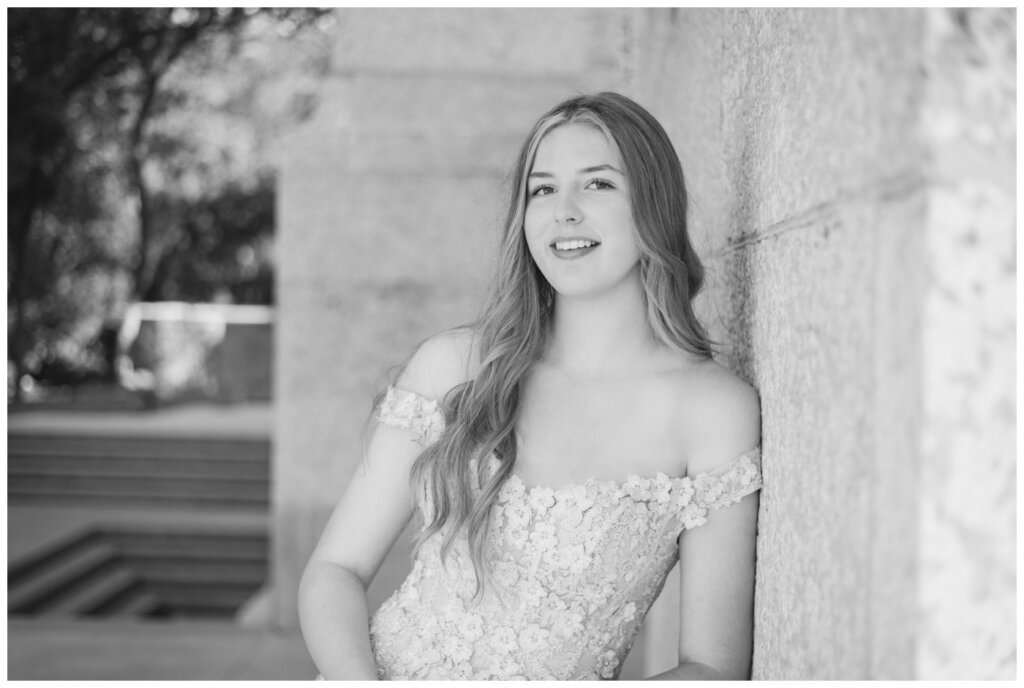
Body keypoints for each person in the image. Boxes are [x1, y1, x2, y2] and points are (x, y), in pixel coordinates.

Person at [298, 92, 762, 680]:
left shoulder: (711, 410)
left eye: (597, 184)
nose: (563, 211)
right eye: (542, 189)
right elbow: (334, 569)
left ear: (654, 204)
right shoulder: (456, 367)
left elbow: (713, 668)